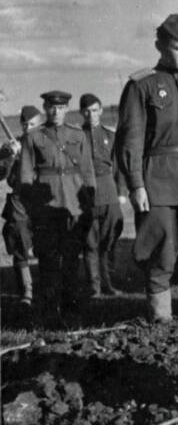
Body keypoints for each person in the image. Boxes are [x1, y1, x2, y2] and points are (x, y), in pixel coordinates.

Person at [117, 14, 178, 322]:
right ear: (160, 46)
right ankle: (162, 323)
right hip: (159, 183)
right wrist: (136, 184)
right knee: (160, 255)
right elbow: (130, 139)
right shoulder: (142, 85)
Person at [18, 91, 96, 325]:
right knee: (48, 262)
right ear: (45, 108)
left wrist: (89, 204)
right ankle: (50, 313)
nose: (56, 111)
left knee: (71, 260)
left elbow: (88, 172)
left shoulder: (78, 135)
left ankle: (72, 312)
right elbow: (25, 176)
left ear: (67, 109)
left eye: (61, 108)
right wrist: (33, 209)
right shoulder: (33, 137)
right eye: (52, 107)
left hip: (73, 206)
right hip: (46, 207)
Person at [79, 93, 123, 298]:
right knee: (90, 243)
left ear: (101, 111)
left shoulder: (110, 135)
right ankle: (94, 287)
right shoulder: (76, 137)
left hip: (108, 191)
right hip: (85, 193)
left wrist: (121, 192)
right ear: (82, 112)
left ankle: (109, 284)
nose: (91, 115)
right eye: (87, 111)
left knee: (109, 240)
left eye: (95, 110)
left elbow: (118, 166)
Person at [1, 106, 42, 307]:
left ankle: (49, 287)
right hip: (19, 204)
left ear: (40, 123)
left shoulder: (47, 142)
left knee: (47, 247)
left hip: (43, 202)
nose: (28, 128)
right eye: (25, 124)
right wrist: (10, 158)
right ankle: (27, 290)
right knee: (19, 244)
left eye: (32, 124)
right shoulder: (12, 146)